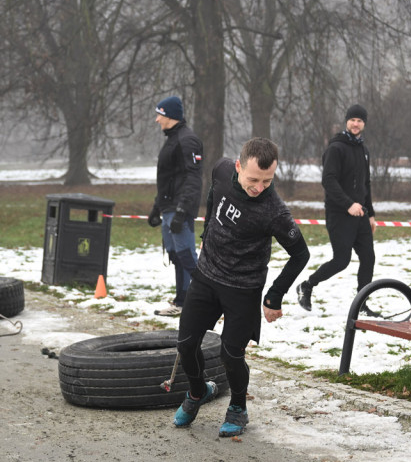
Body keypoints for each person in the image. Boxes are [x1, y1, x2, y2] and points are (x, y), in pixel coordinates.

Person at [171, 137, 309, 437]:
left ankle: (237, 407)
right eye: (253, 179)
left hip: (244, 288)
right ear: (237, 166)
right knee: (186, 344)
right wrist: (207, 231)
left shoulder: (275, 212)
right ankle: (197, 392)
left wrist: (274, 296)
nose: (259, 187)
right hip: (207, 276)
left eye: (267, 180)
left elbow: (301, 254)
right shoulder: (221, 171)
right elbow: (213, 194)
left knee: (231, 355)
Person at [296, 104, 377, 315]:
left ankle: (361, 304)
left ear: (364, 124)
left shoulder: (363, 150)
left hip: (361, 215)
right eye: (353, 120)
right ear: (346, 121)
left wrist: (371, 214)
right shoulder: (336, 148)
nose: (356, 123)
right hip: (339, 213)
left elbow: (365, 184)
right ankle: (307, 285)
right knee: (341, 261)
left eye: (360, 120)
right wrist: (348, 204)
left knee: (368, 258)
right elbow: (329, 181)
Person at [148, 95, 204, 317]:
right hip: (168, 207)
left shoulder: (187, 140)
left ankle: (211, 299)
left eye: (159, 114)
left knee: (187, 255)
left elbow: (193, 178)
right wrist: (156, 207)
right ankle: (181, 302)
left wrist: (182, 210)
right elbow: (169, 179)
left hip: (180, 209)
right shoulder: (172, 139)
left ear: (169, 115)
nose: (156, 119)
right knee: (175, 254)